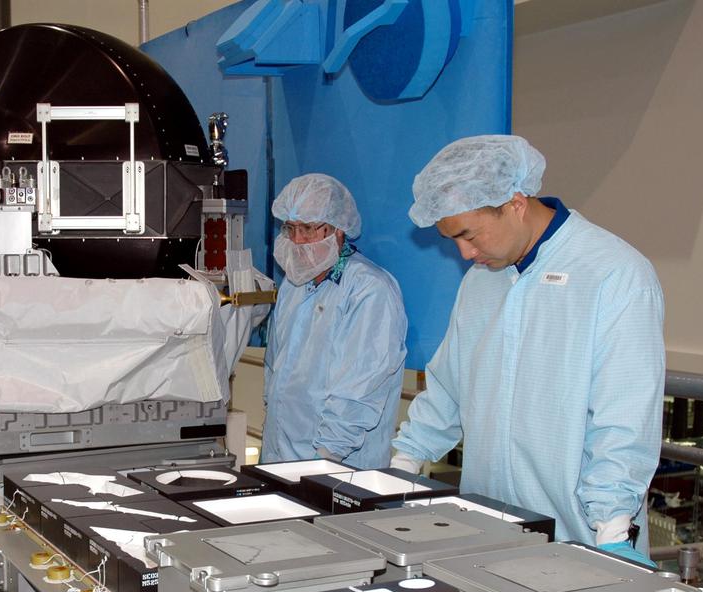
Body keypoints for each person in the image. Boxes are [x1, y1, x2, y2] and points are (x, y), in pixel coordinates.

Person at [390, 135, 664, 563]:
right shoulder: (481, 281)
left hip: (580, 537)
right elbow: (449, 386)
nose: (465, 253)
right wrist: (405, 462)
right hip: (485, 528)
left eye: (470, 235)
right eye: (452, 241)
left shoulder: (614, 274)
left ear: (515, 202)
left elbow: (625, 415)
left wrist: (612, 526)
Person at [261, 174, 407, 469]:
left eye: (309, 228)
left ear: (338, 230)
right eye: (290, 228)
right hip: (280, 459)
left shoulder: (368, 290)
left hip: (336, 467)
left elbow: (358, 392)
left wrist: (322, 463)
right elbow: (274, 368)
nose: (297, 240)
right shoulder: (293, 284)